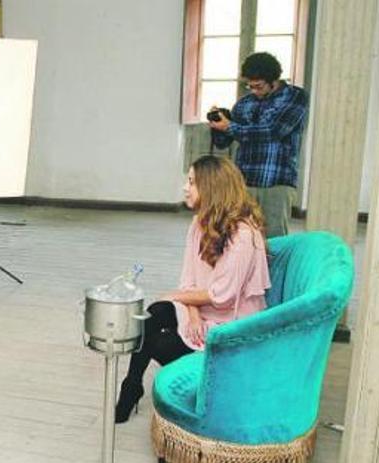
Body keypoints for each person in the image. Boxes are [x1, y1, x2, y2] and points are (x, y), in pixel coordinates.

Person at [115, 155, 271, 423]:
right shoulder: (200, 222)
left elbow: (221, 296)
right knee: (154, 313)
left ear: (211, 188)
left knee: (154, 338)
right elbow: (189, 283)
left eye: (192, 182)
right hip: (205, 312)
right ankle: (132, 385)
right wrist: (194, 315)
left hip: (231, 327)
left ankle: (134, 387)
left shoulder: (243, 235)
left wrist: (173, 296)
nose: (185, 188)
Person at [209, 52, 308, 238]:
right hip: (244, 182)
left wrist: (230, 126)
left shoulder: (296, 97)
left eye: (258, 86)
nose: (253, 90)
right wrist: (218, 125)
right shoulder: (244, 103)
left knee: (274, 239)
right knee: (240, 238)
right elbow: (223, 143)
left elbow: (273, 131)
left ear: (274, 80)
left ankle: (274, 269)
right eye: (250, 86)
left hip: (276, 182)